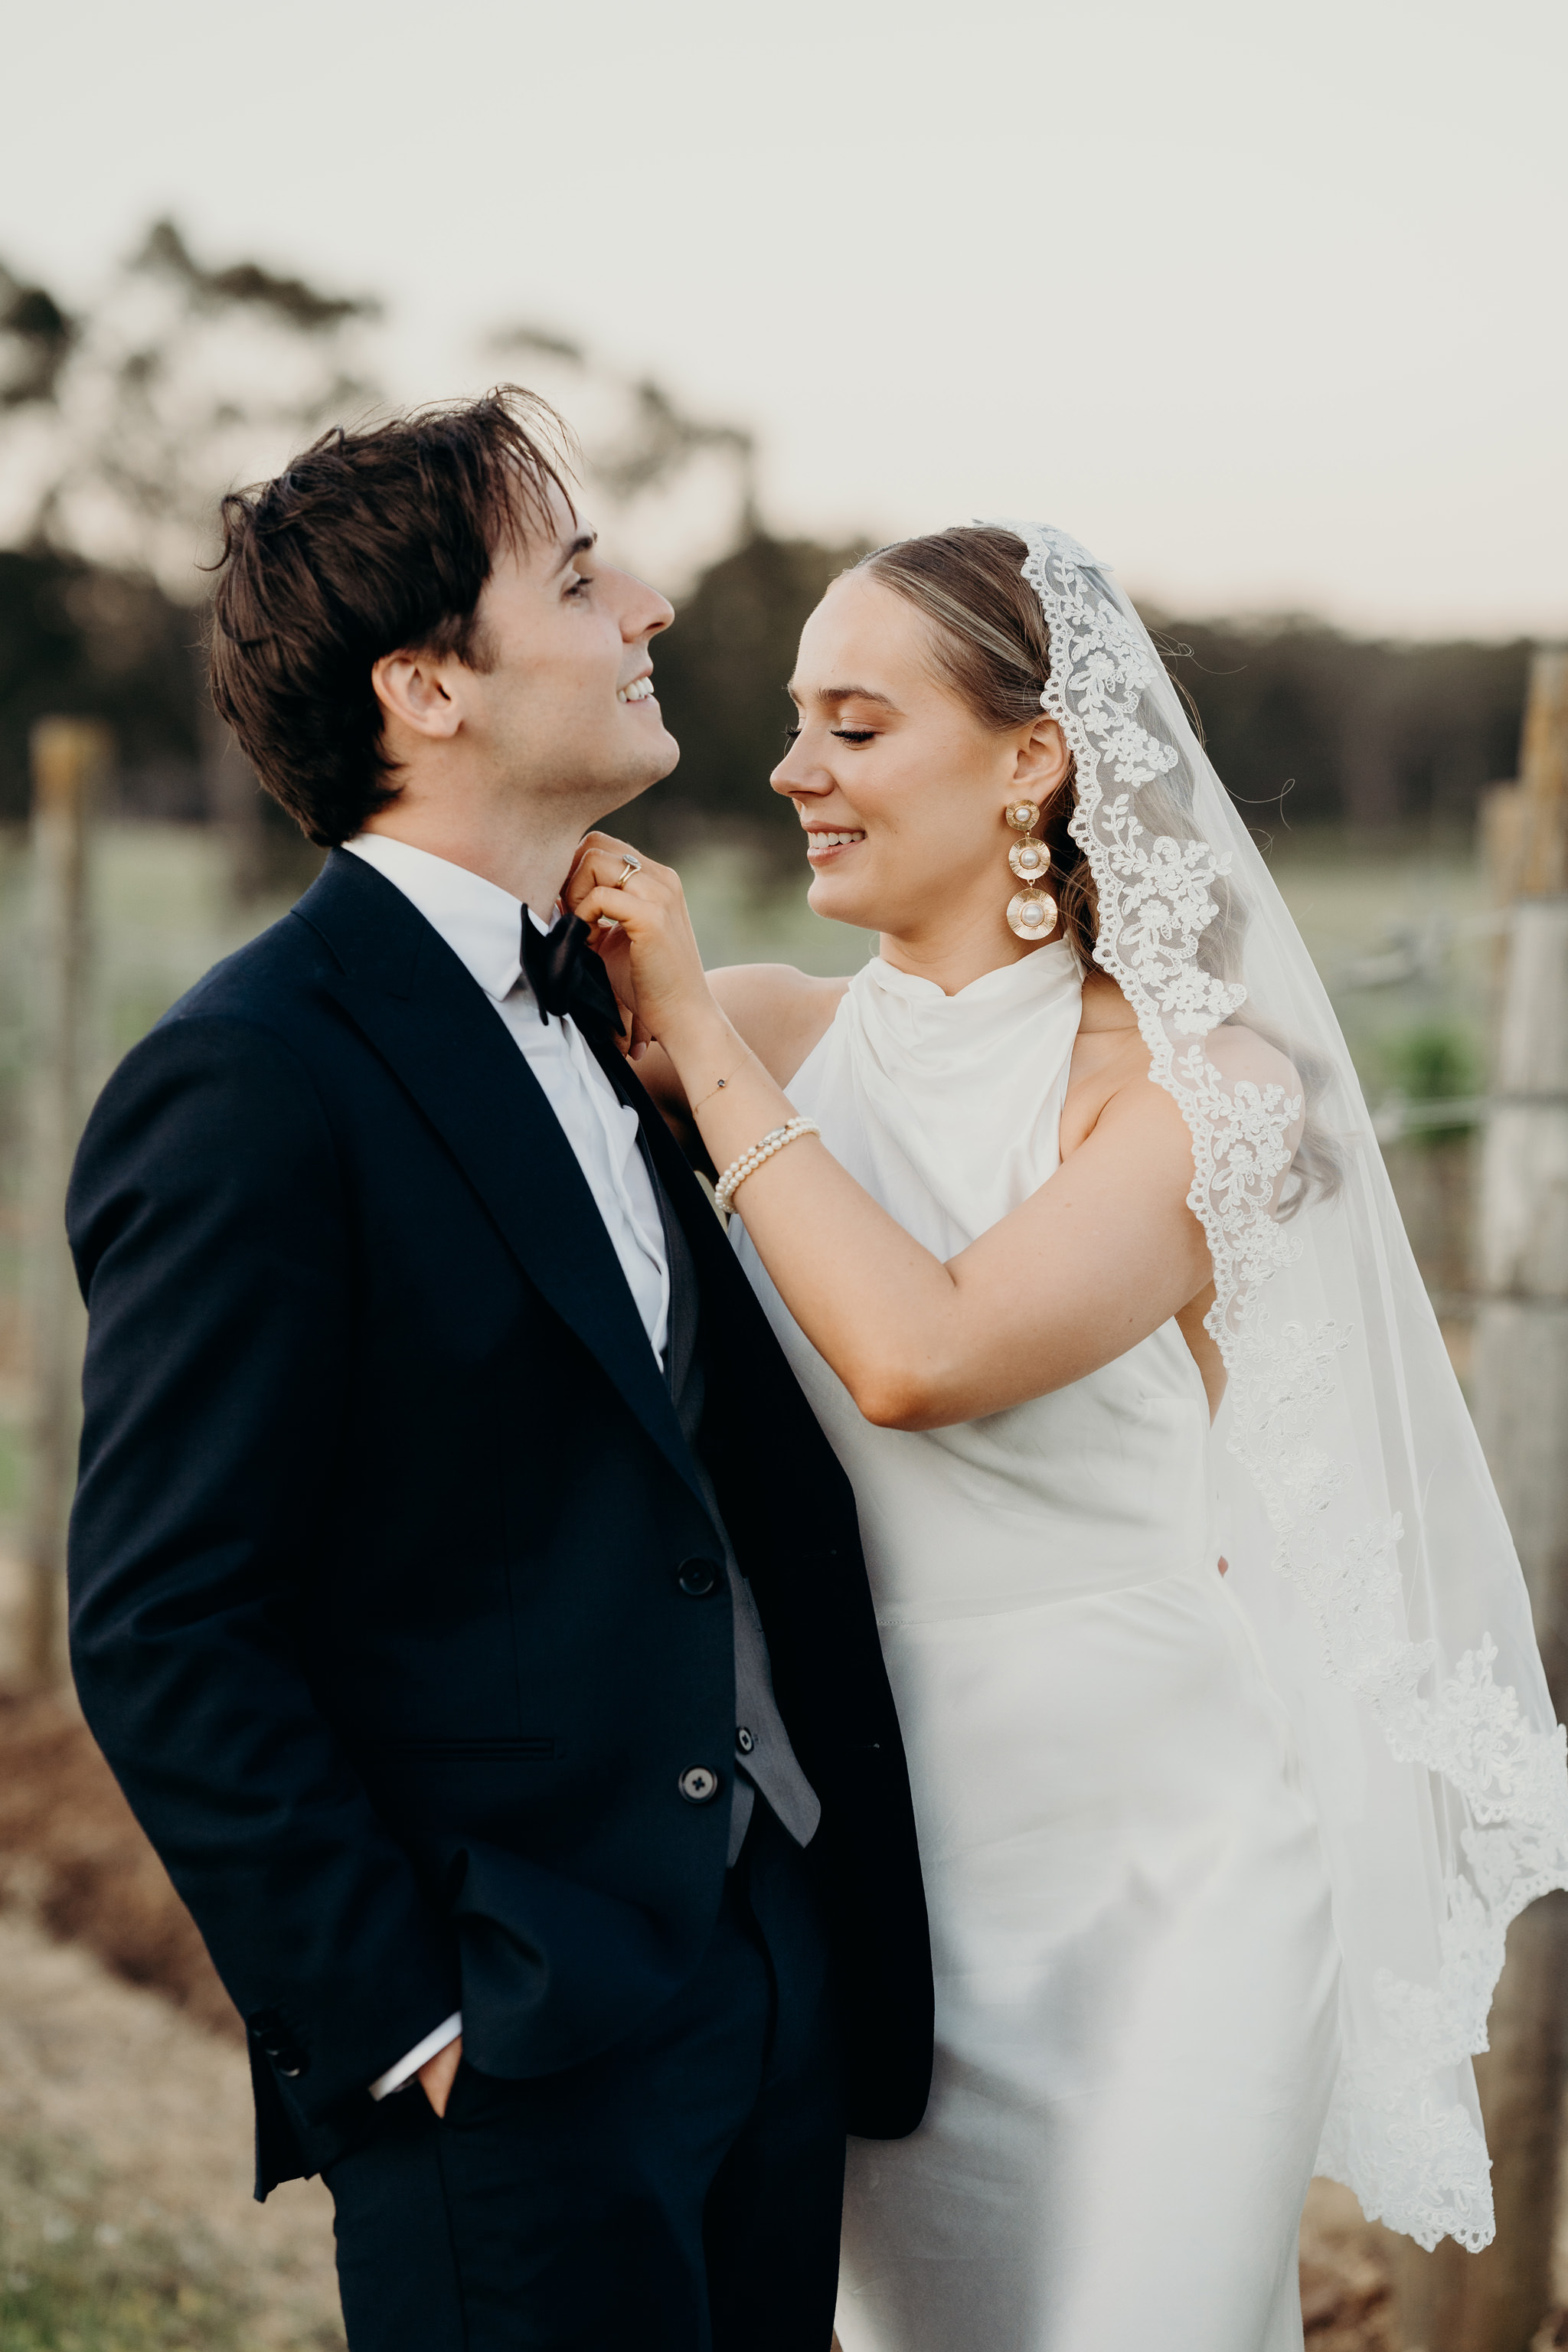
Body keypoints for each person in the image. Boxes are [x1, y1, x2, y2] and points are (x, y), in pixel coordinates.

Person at [568, 521, 1568, 2351]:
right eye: (793, 721)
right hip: (878, 1861)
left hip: (1168, 1863)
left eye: (854, 725)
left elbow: (923, 1355)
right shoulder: (778, 1034)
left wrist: (700, 1035)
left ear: (1029, 760)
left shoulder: (1200, 1093)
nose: (792, 770)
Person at [63, 388, 933, 2352]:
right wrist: (409, 2022)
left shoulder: (620, 1015)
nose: (644, 608)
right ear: (427, 688)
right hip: (512, 2036)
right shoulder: (250, 1078)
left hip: (762, 1975)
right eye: (578, 577)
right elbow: (163, 1621)